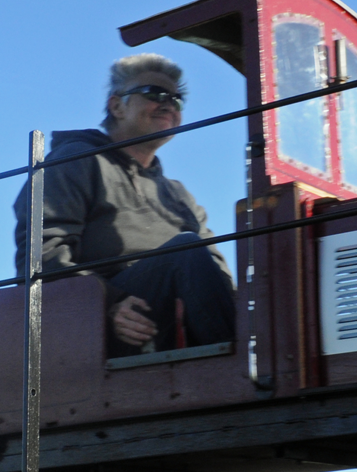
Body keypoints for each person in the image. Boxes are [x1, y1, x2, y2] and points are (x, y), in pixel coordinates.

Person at [14, 53, 236, 355]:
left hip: (176, 314)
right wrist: (107, 303)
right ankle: (246, 366)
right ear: (117, 105)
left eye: (177, 99)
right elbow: (41, 257)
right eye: (154, 93)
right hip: (104, 319)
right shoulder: (76, 161)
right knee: (186, 250)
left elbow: (218, 274)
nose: (168, 103)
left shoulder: (179, 196)